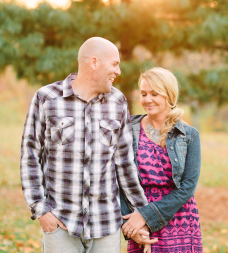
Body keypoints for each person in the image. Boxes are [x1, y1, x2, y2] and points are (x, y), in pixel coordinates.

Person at [21, 37, 157, 253]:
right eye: (114, 64)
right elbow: (30, 157)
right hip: (60, 224)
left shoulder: (117, 102)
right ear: (94, 62)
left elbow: (125, 164)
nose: (118, 71)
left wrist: (141, 214)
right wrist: (41, 211)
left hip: (106, 226)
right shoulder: (46, 99)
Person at [120, 67, 203, 253]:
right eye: (143, 94)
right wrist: (132, 223)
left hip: (179, 217)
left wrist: (146, 216)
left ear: (169, 95)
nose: (147, 99)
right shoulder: (128, 129)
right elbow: (119, 179)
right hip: (138, 213)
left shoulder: (189, 135)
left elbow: (188, 187)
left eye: (154, 94)